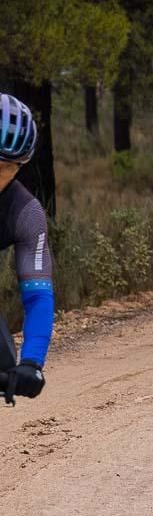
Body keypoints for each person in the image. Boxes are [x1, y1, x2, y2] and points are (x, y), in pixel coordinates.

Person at [0, 93, 52, 400]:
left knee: (5, 359)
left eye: (6, 167)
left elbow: (38, 296)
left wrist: (32, 362)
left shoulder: (26, 213)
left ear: (21, 166)